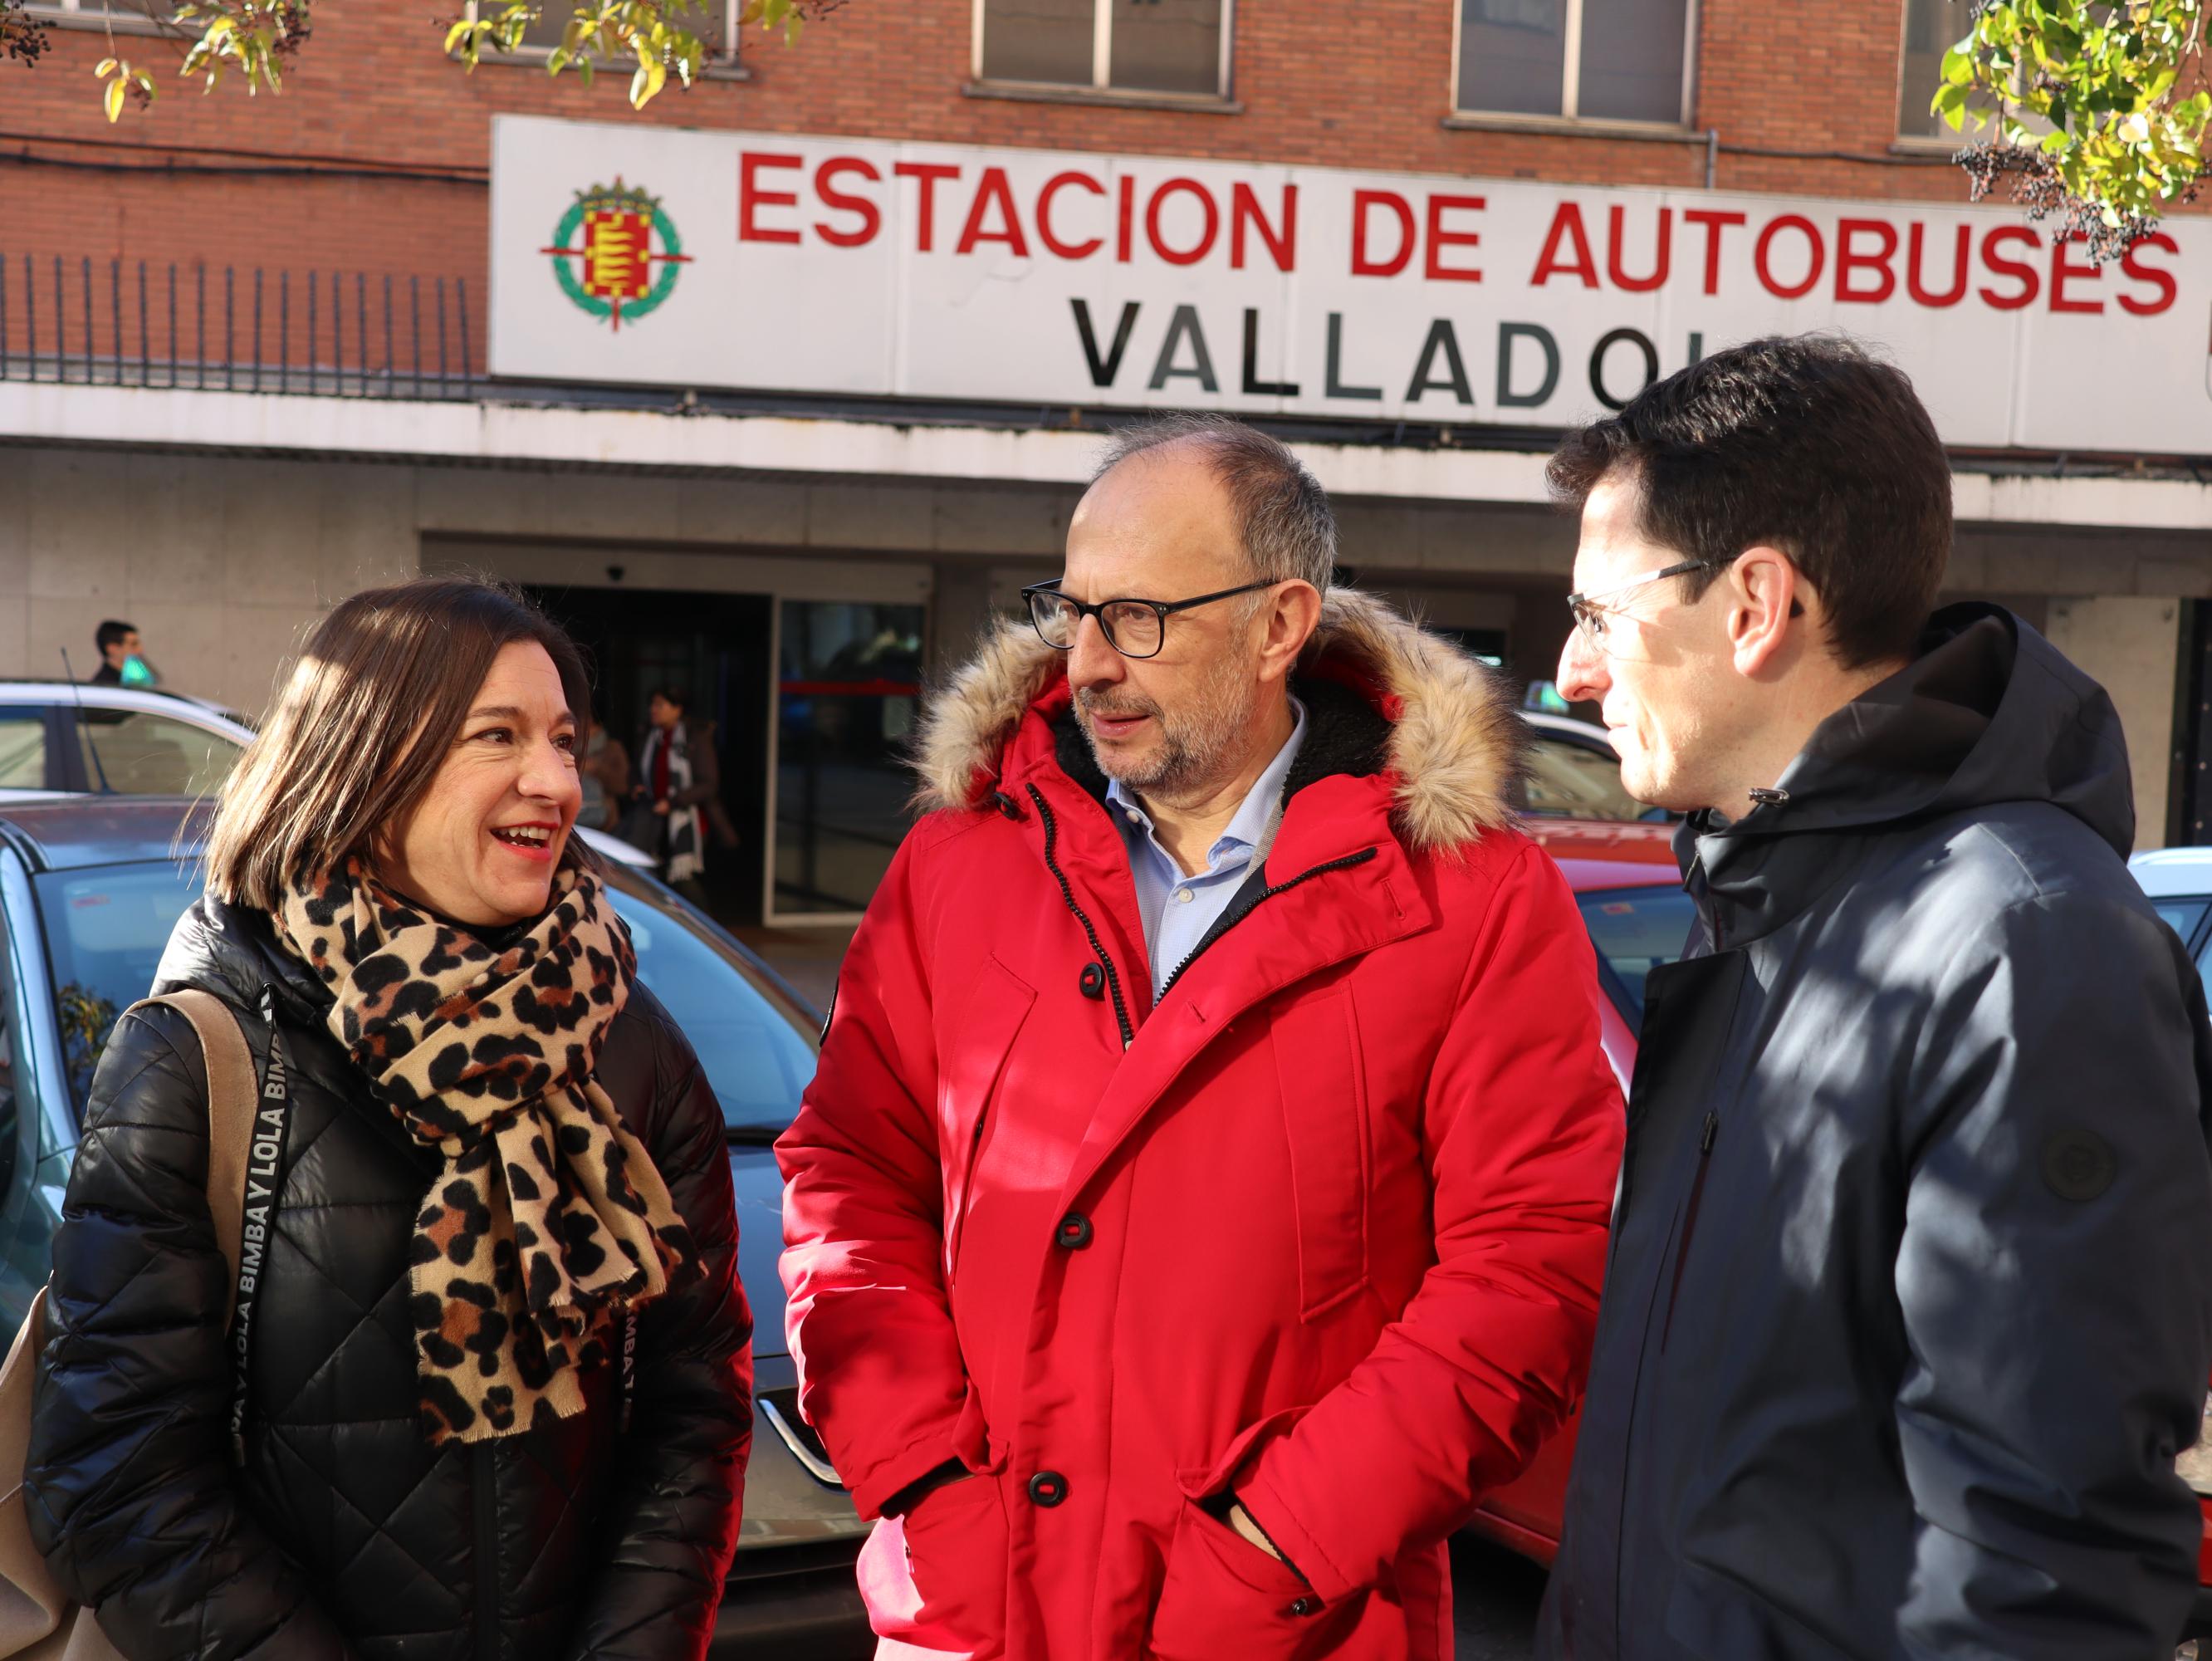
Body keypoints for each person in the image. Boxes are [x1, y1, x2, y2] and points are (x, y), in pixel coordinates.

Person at [778, 415, 1625, 1659]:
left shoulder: (1473, 900)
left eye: (1140, 618)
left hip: (1293, 1626)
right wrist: (924, 1484)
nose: (1088, 664)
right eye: (1072, 612)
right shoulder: (959, 865)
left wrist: (1278, 1550)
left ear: (1281, 623)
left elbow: (1526, 1275)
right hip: (969, 1615)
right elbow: (850, 1177)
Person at [1535, 336, 2212, 1659]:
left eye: (1601, 618)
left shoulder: (2027, 945)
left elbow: (2041, 1569)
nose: (1572, 675)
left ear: (1754, 603)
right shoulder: (1769, 905)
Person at [25, 576, 752, 1659]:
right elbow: (114, 1477)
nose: (556, 779)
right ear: (367, 768)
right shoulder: (199, 1057)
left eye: (564, 738)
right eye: (498, 736)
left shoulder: (629, 1044)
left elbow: (695, 1409)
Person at [634, 685, 720, 889]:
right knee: (657, 878)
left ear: (677, 709)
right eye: (652, 705)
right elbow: (636, 770)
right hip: (655, 818)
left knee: (683, 881)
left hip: (686, 820)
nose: (653, 710)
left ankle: (694, 920)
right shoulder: (651, 736)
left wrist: (673, 802)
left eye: (660, 705)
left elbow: (709, 783)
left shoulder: (694, 738)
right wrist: (636, 786)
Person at [579, 707, 632, 833]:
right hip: (575, 818)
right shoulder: (568, 745)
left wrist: (597, 769)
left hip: (603, 820)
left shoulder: (612, 747)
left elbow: (623, 785)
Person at [89, 618, 153, 687]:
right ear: (112, 648)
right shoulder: (104, 685)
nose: (140, 650)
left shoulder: (138, 678)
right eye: (133, 644)